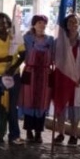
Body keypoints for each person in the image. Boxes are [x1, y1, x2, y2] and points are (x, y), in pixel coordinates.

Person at [0, 12, 25, 144]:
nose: (3, 25)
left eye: (5, 22)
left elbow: (23, 54)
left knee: (12, 106)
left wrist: (13, 67)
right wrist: (3, 59)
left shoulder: (14, 38)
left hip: (12, 76)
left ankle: (14, 135)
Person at [53, 13, 80, 145]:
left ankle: (73, 135)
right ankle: (60, 133)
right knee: (61, 106)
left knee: (75, 108)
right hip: (63, 78)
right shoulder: (59, 41)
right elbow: (54, 58)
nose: (73, 25)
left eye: (75, 22)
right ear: (66, 25)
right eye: (70, 22)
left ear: (79, 24)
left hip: (77, 78)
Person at [19, 15, 54, 143]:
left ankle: (39, 132)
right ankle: (28, 131)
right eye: (39, 22)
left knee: (42, 102)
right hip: (31, 72)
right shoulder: (27, 38)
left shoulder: (50, 40)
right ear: (34, 24)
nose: (42, 25)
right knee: (28, 101)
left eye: (44, 23)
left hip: (45, 74)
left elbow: (54, 56)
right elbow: (20, 53)